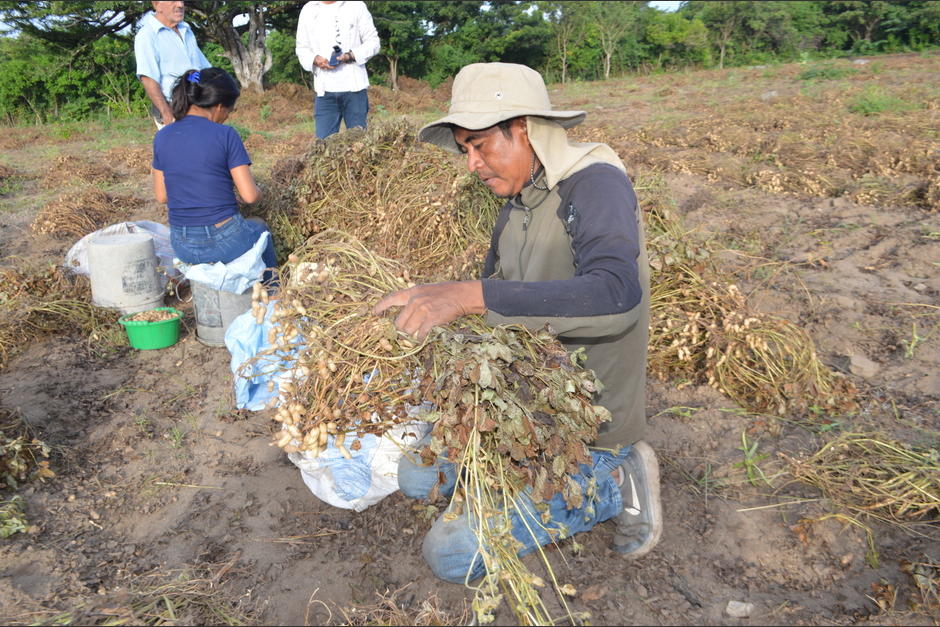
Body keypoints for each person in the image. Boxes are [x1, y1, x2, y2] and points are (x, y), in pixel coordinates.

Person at [374, 62, 661, 583]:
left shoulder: (595, 185)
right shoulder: (516, 201)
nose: (472, 164)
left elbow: (618, 296)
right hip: (526, 406)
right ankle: (514, 483)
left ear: (524, 129)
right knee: (415, 477)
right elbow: (498, 294)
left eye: (481, 145)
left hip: (589, 424)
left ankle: (616, 481)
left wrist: (468, 295)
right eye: (465, 149)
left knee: (450, 556)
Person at [151, 68, 277, 277]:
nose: (226, 117)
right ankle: (273, 292)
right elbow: (250, 196)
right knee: (260, 227)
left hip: (182, 245)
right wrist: (262, 191)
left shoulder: (163, 136)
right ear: (219, 107)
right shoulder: (225, 134)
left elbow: (161, 196)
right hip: (225, 241)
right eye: (229, 111)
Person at [295, 1, 380, 139]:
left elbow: (373, 42)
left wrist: (350, 56)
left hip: (354, 88)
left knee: (359, 145)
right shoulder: (309, 9)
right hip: (324, 91)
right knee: (323, 146)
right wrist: (315, 59)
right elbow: (301, 47)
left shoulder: (356, 6)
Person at [135, 0, 211, 129]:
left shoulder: (186, 30)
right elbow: (148, 78)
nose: (180, 5)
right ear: (157, 5)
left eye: (181, 1)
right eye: (173, 1)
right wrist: (166, 113)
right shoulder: (147, 35)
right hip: (173, 108)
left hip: (197, 105)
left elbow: (204, 68)